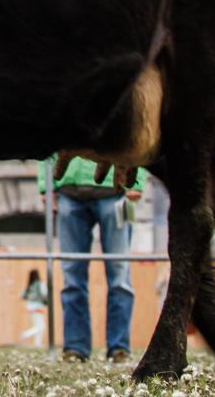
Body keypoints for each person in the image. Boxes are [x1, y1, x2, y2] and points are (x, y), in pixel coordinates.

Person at [40, 154, 144, 363]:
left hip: (117, 191)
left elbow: (140, 130)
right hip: (68, 192)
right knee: (71, 278)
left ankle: (119, 349)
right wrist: (46, 185)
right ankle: (75, 349)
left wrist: (137, 180)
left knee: (120, 276)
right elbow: (48, 133)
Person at [20, 268, 50, 346]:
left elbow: (22, 295)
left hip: (30, 306)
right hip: (38, 306)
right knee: (41, 326)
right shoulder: (40, 284)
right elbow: (45, 294)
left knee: (38, 325)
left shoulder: (28, 286)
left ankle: (37, 343)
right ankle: (25, 334)